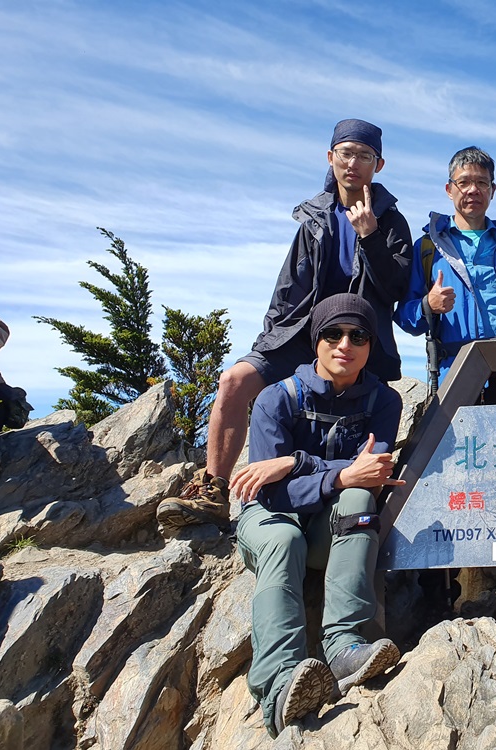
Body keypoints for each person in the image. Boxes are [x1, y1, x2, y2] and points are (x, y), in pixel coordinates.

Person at [157, 118, 412, 531]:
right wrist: (268, 342)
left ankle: (338, 496)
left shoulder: (391, 222)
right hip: (299, 334)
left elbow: (397, 287)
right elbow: (287, 287)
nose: (354, 164)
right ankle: (214, 488)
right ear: (331, 158)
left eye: (364, 156)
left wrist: (370, 237)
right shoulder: (314, 217)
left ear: (378, 166)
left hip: (354, 339)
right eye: (346, 153)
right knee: (234, 382)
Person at [231, 293, 404, 737]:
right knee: (283, 539)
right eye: (333, 333)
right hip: (272, 520)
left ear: (370, 345)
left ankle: (344, 645)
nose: (344, 343)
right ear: (316, 342)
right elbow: (270, 494)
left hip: (328, 529)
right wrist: (336, 473)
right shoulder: (275, 399)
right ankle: (277, 683)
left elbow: (372, 474)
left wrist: (295, 463)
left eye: (358, 335)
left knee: (361, 500)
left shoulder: (384, 402)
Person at [395, 146, 496, 401]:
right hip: (454, 373)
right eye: (463, 182)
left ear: (492, 191)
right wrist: (427, 305)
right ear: (449, 189)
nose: (472, 190)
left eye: (481, 182)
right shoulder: (428, 248)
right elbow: (405, 317)